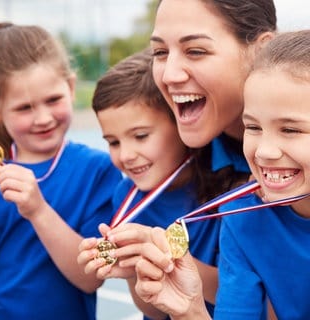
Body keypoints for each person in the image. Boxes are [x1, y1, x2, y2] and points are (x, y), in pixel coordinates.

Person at [106, 0, 276, 319]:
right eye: (159, 52)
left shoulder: (290, 171)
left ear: (260, 51)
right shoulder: (178, 160)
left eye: (195, 50)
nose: (169, 74)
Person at [134, 29, 310, 319]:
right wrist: (190, 309)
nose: (264, 151)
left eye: (290, 130)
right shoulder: (242, 216)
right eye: (253, 127)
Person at [0, 22, 122, 320]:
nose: (43, 118)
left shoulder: (98, 170)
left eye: (53, 100)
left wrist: (37, 210)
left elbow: (92, 277)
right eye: (24, 108)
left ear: (71, 87)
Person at [77, 48, 219, 319]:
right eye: (113, 142)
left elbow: (242, 292)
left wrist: (161, 257)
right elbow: (153, 311)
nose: (126, 155)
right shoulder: (126, 195)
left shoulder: (228, 188)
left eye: (140, 136)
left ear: (182, 123)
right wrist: (134, 270)